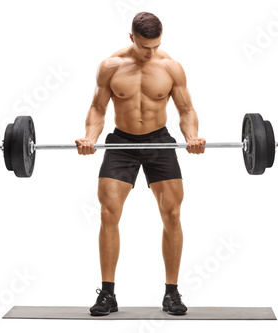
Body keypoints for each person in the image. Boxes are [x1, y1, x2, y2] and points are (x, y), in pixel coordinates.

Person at [75, 12, 205, 316]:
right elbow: (97, 107)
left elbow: (186, 110)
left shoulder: (171, 67)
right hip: (122, 144)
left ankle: (171, 293)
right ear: (132, 38)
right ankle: (108, 294)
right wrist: (89, 138)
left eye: (156, 46)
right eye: (145, 47)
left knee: (172, 212)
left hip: (159, 142)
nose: (151, 53)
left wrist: (193, 137)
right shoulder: (111, 67)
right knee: (109, 211)